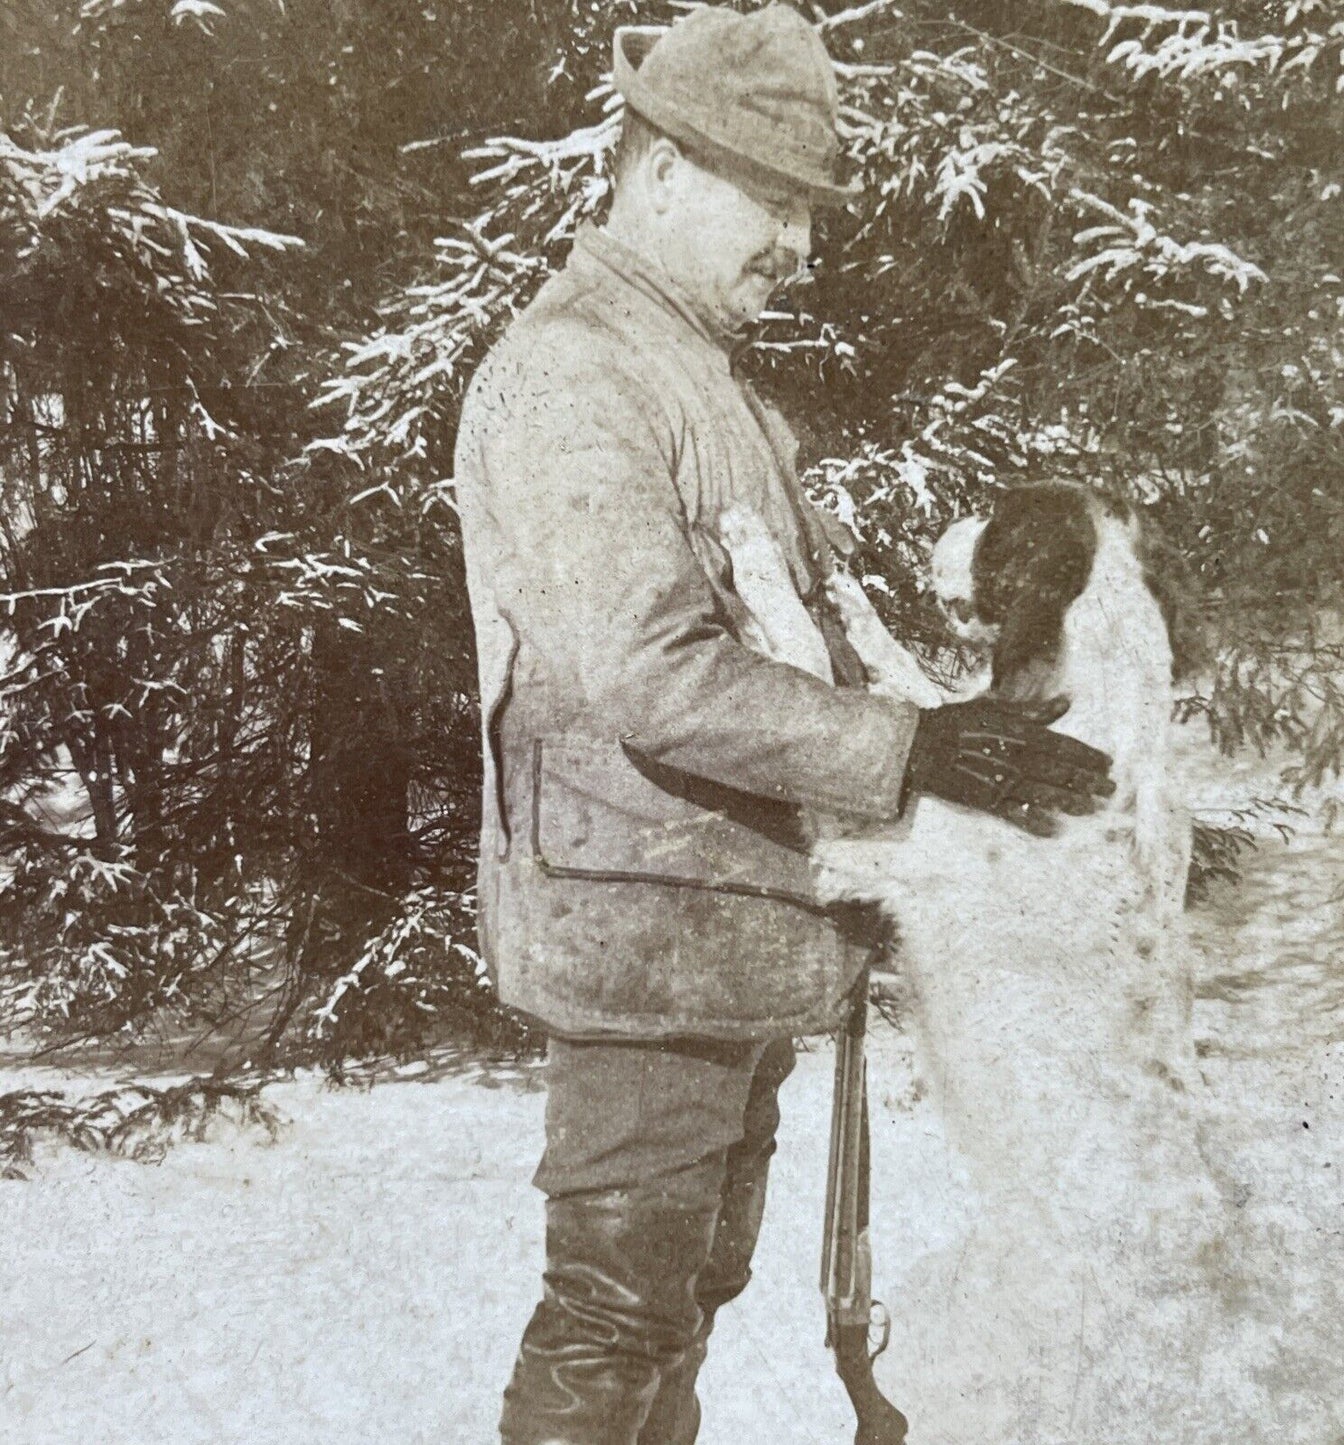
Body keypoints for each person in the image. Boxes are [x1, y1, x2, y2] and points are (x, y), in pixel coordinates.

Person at [451, 6, 1113, 1442]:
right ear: (662, 167)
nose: (800, 250)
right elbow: (650, 671)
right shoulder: (580, 372)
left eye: (811, 211)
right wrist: (904, 754)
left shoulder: (696, 378)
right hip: (642, 940)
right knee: (618, 1310)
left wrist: (966, 716)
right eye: (775, 200)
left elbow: (794, 640)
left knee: (677, 1296)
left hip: (712, 927)